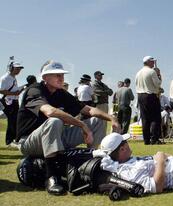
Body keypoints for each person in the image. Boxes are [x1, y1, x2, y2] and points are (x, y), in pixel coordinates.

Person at [16, 60, 121, 195]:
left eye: (62, 74)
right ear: (45, 78)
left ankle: (93, 163)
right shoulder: (35, 90)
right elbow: (50, 112)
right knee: (54, 121)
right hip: (29, 142)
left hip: (55, 137)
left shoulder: (61, 93)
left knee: (97, 120)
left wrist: (111, 118)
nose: (61, 78)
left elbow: (87, 109)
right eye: (56, 75)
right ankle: (51, 177)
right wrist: (82, 125)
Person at [136, 56, 163, 145]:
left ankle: (146, 140)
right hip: (150, 96)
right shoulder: (152, 72)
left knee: (145, 119)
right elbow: (158, 84)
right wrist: (158, 75)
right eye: (152, 62)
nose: (153, 63)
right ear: (148, 62)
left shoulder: (138, 73)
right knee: (155, 118)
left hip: (140, 96)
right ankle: (154, 138)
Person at [1, 60, 25, 146]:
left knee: (15, 120)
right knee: (12, 120)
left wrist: (21, 88)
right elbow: (1, 90)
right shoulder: (5, 78)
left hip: (14, 101)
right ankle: (9, 141)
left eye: (19, 69)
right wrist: (14, 93)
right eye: (17, 68)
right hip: (8, 101)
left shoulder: (13, 77)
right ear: (11, 68)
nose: (18, 70)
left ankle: (13, 139)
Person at [92, 70, 113, 139]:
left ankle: (103, 136)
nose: (101, 76)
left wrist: (105, 92)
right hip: (99, 104)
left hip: (105, 104)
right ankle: (98, 136)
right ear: (95, 76)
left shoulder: (103, 84)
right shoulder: (94, 84)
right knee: (98, 121)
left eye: (101, 75)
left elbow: (111, 92)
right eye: (99, 75)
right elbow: (97, 92)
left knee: (104, 121)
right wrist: (106, 92)